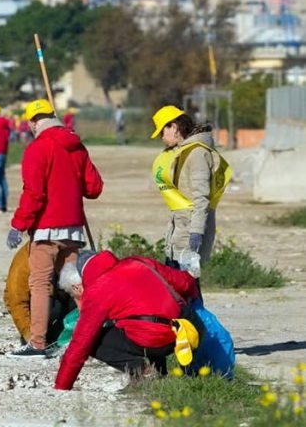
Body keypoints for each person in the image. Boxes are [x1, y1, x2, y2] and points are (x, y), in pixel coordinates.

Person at [6, 98, 103, 357]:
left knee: (39, 284)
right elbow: (94, 188)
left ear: (33, 122)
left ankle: (37, 343)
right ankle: (91, 337)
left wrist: (18, 225)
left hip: (46, 230)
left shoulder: (38, 148)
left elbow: (34, 193)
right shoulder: (77, 146)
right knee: (73, 284)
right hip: (73, 229)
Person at [54, 250, 200, 390]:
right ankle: (166, 373)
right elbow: (185, 282)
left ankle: (140, 370)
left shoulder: (96, 290)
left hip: (149, 340)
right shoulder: (139, 262)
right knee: (149, 320)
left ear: (84, 275)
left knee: (94, 340)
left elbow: (80, 343)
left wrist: (62, 385)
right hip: (179, 334)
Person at [150, 105, 231, 268]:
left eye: (162, 132)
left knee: (189, 288)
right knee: (178, 288)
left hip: (190, 233)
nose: (161, 138)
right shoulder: (181, 152)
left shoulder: (197, 154)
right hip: (180, 231)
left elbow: (201, 197)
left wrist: (197, 232)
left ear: (174, 127)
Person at [3, 243, 75, 349]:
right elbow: (16, 302)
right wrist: (30, 337)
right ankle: (43, 338)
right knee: (49, 304)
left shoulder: (67, 250)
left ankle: (67, 337)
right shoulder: (25, 262)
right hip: (37, 308)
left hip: (58, 297)